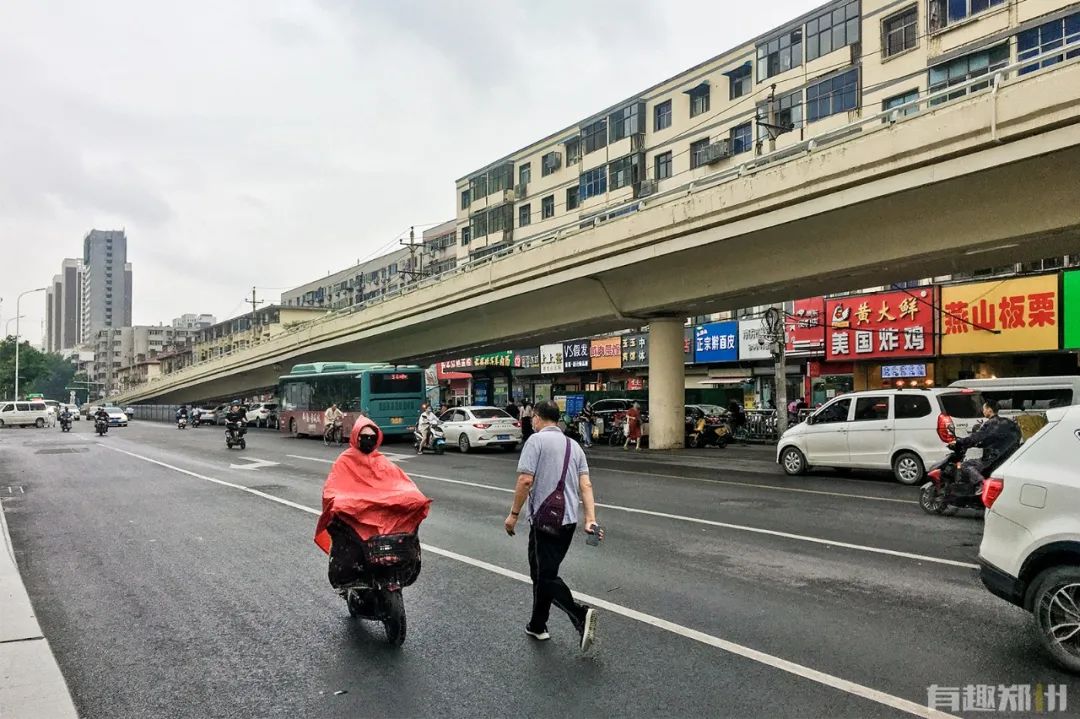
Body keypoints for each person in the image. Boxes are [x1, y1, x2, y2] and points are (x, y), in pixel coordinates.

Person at [504, 400, 600, 652]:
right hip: (567, 520)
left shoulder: (535, 441)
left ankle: (580, 614)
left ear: (536, 417)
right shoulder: (574, 445)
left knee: (544, 575)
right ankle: (538, 625)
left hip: (545, 521)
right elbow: (586, 485)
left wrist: (513, 515)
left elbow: (525, 480)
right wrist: (590, 519)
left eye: (532, 418)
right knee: (543, 572)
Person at [314, 419, 432, 583]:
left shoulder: (381, 460)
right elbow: (334, 487)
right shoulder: (345, 459)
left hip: (378, 505)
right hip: (356, 507)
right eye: (364, 436)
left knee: (414, 499)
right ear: (356, 437)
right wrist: (343, 501)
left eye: (372, 436)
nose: (368, 440)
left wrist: (414, 497)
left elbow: (400, 482)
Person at [950, 399, 1022, 490]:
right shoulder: (1008, 422)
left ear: (989, 409)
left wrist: (959, 442)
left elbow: (978, 437)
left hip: (996, 455)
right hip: (1011, 455)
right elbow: (993, 438)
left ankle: (981, 486)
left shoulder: (992, 423)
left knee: (966, 465)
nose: (983, 411)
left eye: (984, 409)